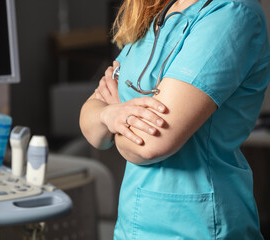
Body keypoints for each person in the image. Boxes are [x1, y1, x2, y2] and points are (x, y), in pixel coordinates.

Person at [79, 0, 270, 239]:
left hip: (198, 226)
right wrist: (109, 115)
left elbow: (149, 145)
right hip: (133, 225)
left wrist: (114, 114)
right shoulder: (158, 11)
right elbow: (90, 124)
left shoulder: (230, 13)